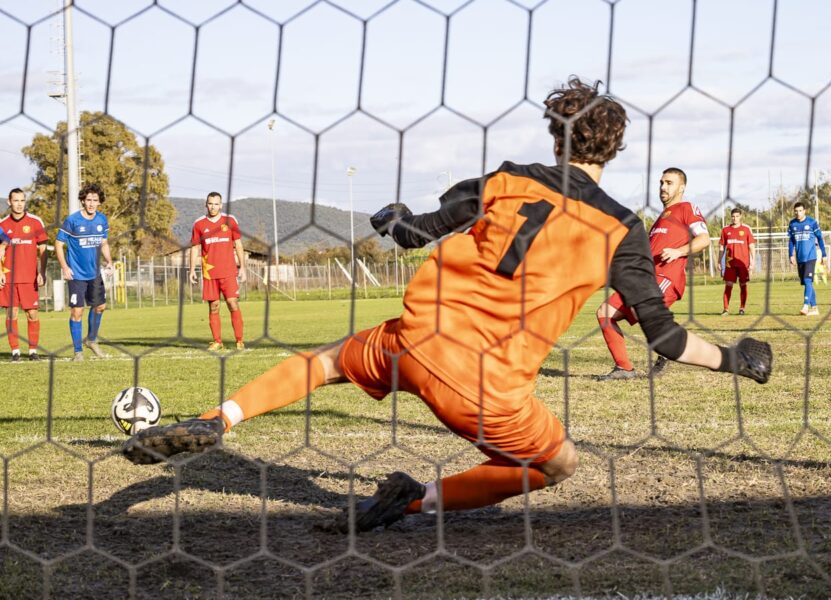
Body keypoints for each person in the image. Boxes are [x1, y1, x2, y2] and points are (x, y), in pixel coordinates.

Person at [123, 77, 772, 534]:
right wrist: (736, 359)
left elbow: (414, 230)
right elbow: (663, 338)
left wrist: (392, 216)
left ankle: (221, 417)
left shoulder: (507, 178)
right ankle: (412, 503)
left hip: (418, 339)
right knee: (557, 464)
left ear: (556, 138)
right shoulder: (621, 229)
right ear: (617, 147)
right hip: (489, 388)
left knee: (326, 362)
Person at [594, 167, 709, 380]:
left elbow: (704, 239)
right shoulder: (660, 219)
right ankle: (624, 368)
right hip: (644, 279)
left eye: (669, 183)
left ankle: (672, 350)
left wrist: (678, 251)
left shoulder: (687, 208)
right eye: (661, 183)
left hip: (666, 277)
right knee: (605, 312)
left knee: (645, 315)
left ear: (681, 187)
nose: (663, 187)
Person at [55, 184, 113, 361]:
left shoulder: (102, 220)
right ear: (83, 200)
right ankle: (78, 352)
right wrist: (65, 267)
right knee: (77, 312)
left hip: (95, 273)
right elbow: (58, 244)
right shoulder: (72, 220)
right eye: (88, 200)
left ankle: (92, 340)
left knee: (100, 307)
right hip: (76, 275)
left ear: (99, 202)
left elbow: (103, 243)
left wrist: (109, 261)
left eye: (95, 200)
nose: (91, 203)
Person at [189, 192, 246, 351]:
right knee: (213, 306)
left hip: (228, 271)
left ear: (221, 205)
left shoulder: (230, 220)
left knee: (232, 303)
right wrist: (192, 269)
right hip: (209, 273)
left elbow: (239, 245)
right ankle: (217, 341)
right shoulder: (199, 224)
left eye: (216, 204)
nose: (213, 207)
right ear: (205, 204)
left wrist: (243, 267)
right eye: (210, 203)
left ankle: (239, 340)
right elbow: (195, 248)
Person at [0, 188, 48, 361]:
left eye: (22, 201)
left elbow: (43, 249)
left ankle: (33, 351)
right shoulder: (3, 225)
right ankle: (15, 352)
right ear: (9, 202)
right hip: (9, 278)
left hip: (29, 278)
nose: (19, 204)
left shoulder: (35, 222)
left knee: (32, 314)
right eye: (16, 201)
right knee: (11, 314)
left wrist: (42, 271)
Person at [788, 202, 826, 316]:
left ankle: (805, 306)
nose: (798, 213)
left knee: (808, 280)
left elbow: (820, 238)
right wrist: (791, 254)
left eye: (800, 211)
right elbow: (791, 241)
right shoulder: (792, 224)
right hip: (800, 258)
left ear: (804, 211)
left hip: (811, 257)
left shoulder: (812, 222)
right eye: (796, 211)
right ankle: (814, 308)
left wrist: (824, 254)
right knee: (806, 282)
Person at [718, 207, 756, 316]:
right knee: (728, 284)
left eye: (737, 216)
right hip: (730, 263)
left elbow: (751, 246)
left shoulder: (746, 229)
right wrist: (719, 261)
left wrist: (752, 261)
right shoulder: (725, 230)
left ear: (740, 217)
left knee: (743, 284)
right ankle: (726, 309)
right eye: (733, 216)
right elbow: (721, 248)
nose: (735, 218)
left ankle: (742, 308)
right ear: (731, 217)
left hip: (743, 263)